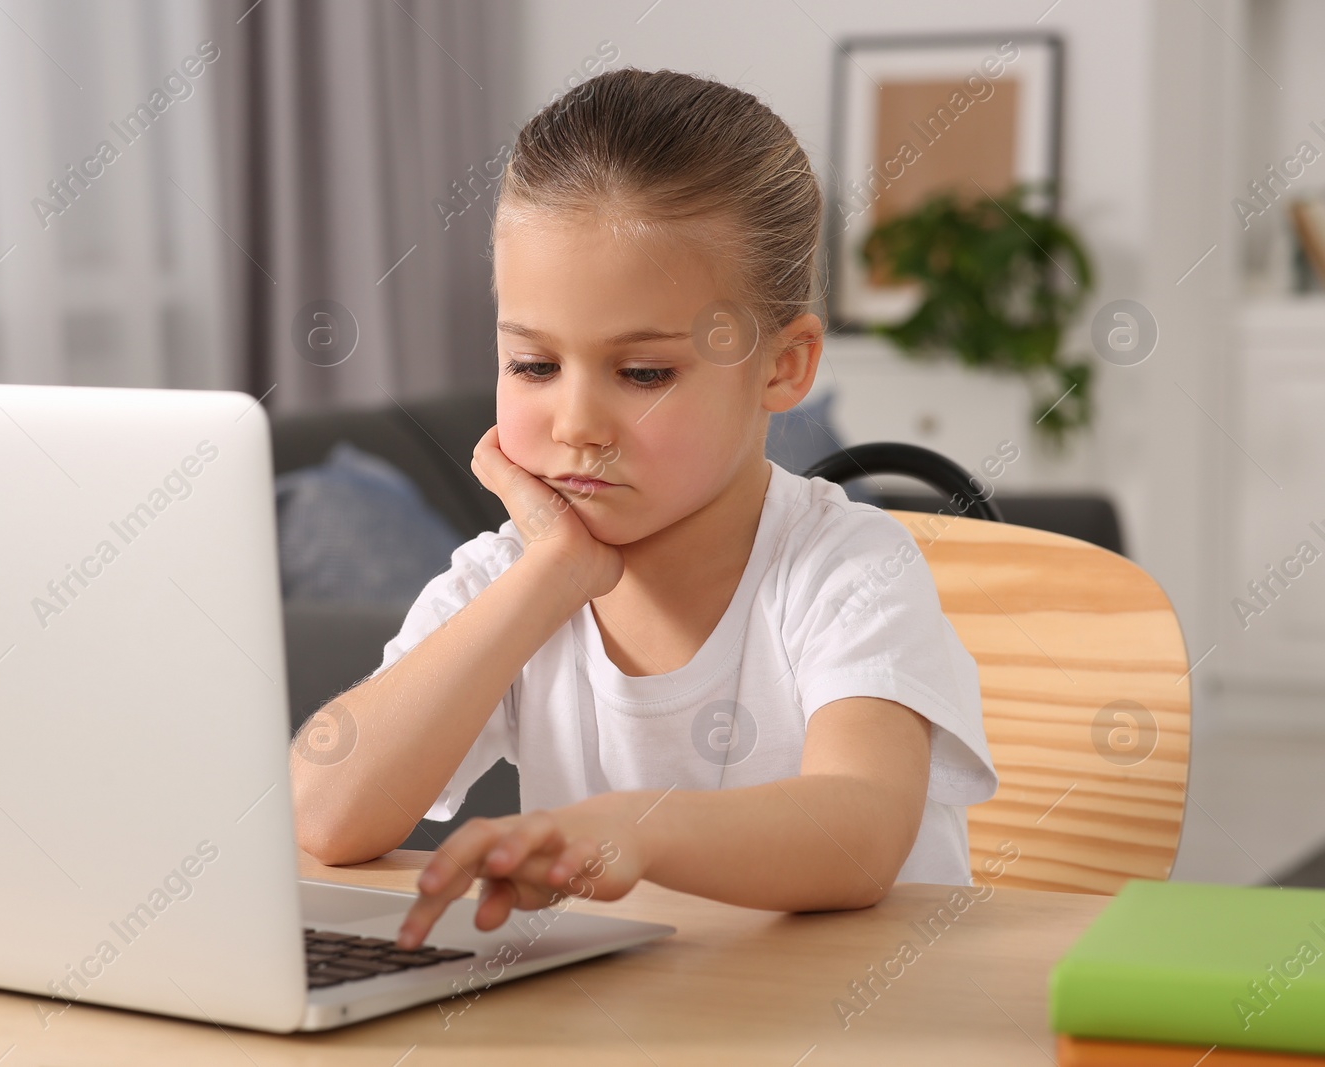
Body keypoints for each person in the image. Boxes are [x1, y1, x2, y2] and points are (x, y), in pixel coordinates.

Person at [288, 68, 998, 951]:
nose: (577, 423)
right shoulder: (511, 578)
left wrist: (641, 828)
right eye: (534, 366)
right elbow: (324, 813)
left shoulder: (850, 569)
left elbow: (858, 832)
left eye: (644, 374)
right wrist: (548, 577)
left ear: (785, 366)